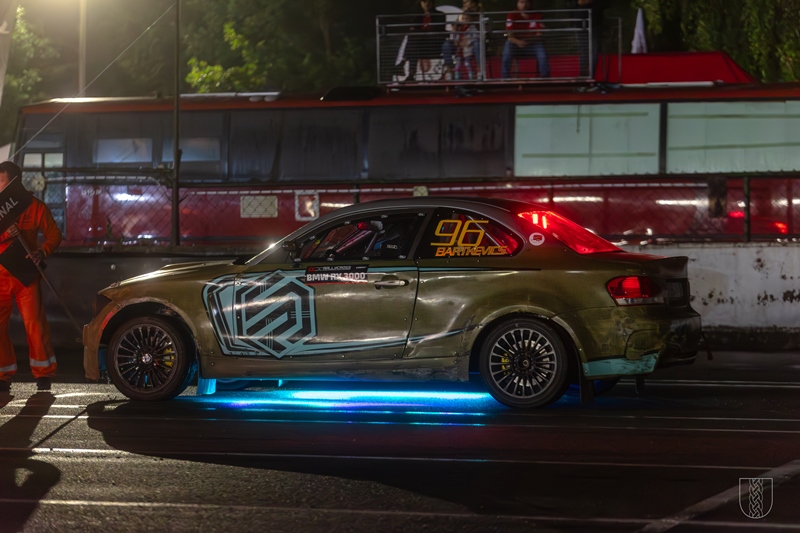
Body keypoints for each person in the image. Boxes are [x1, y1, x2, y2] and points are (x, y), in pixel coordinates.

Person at [0, 161, 62, 393]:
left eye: (1, 181)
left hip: (26, 275)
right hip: (0, 277)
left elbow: (54, 234)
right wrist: (5, 234)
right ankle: (3, 375)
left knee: (35, 324)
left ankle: (44, 373)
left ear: (14, 182)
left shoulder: (35, 206)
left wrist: (42, 251)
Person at [501, 0, 550, 79]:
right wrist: (518, 42)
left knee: (542, 52)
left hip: (532, 43)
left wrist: (528, 41)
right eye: (521, 2)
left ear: (530, 3)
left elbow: (540, 34)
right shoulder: (512, 15)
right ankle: (505, 78)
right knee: (508, 46)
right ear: (517, 4)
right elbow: (509, 35)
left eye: (526, 2)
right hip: (516, 44)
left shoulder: (537, 15)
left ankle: (545, 77)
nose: (524, 5)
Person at [401, 0, 445, 82]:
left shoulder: (440, 15)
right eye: (424, 2)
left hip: (433, 44)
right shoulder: (418, 16)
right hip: (420, 45)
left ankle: (403, 62)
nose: (426, 4)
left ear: (432, 3)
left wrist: (420, 32)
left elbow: (436, 30)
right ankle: (411, 74)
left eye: (428, 2)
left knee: (414, 37)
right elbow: (412, 28)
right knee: (413, 42)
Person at [441, 0, 483, 80]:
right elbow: (455, 26)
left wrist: (468, 41)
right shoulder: (462, 14)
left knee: (477, 44)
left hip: (472, 43)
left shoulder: (480, 15)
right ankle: (449, 71)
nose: (464, 4)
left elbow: (480, 32)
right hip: (459, 41)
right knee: (446, 45)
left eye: (466, 2)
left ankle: (480, 71)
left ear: (473, 3)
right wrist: (455, 39)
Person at [574, 0, 609, 78]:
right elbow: (579, 2)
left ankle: (591, 76)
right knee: (584, 50)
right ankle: (583, 75)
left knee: (593, 51)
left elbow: (606, 4)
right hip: (581, 23)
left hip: (595, 23)